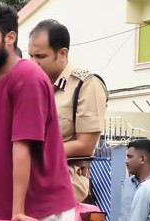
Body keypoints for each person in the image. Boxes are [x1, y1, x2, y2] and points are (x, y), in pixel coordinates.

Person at [0, 2, 76, 221]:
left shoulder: (27, 76)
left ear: (10, 38)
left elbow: (22, 146)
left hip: (40, 214)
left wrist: (18, 212)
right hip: (10, 213)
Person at [27, 19, 109, 203]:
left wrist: (35, 154)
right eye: (31, 56)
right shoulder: (34, 87)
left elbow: (85, 144)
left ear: (62, 54)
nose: (33, 63)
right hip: (30, 179)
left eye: (40, 57)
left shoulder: (86, 84)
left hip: (66, 182)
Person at [117, 138, 150, 221]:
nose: (126, 161)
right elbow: (123, 218)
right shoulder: (126, 184)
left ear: (142, 159)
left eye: (130, 157)